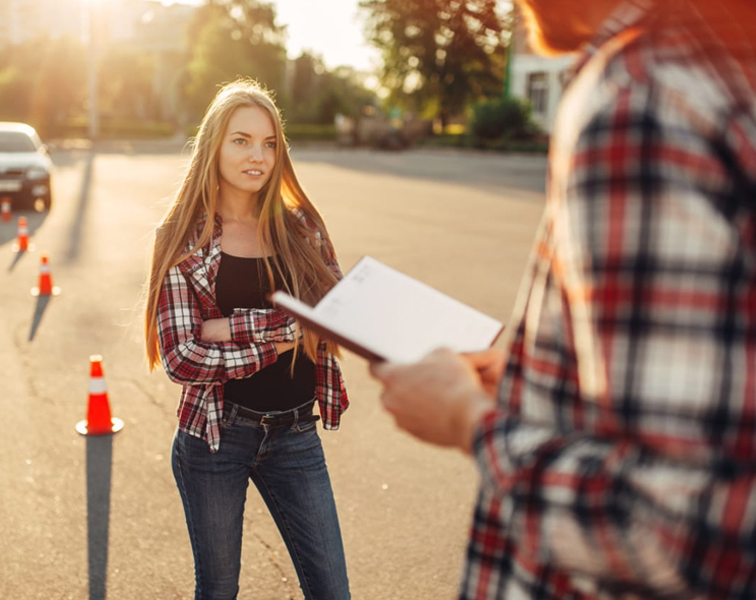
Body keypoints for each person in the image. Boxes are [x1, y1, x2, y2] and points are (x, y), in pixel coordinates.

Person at [370, 0, 756, 598]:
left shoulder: (640, 100)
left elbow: (676, 528)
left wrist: (469, 421)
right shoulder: (726, 65)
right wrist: (541, 382)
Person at [144, 79, 350, 600]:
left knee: (332, 590)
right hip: (216, 436)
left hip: (297, 432)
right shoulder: (182, 237)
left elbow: (338, 316)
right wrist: (283, 339)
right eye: (241, 141)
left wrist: (234, 327)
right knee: (218, 589)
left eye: (269, 143)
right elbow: (182, 356)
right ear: (213, 144)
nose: (258, 156)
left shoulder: (301, 225)